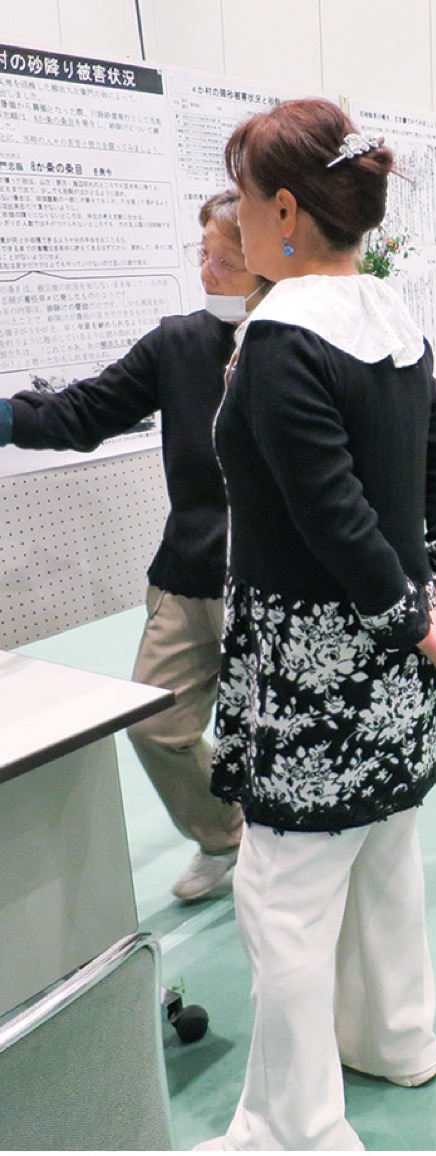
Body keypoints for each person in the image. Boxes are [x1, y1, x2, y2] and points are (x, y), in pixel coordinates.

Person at [196, 98, 436, 1152]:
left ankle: (298, 1125)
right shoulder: (390, 318)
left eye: (242, 199)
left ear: (284, 211)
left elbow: (331, 515)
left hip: (311, 675)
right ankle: (397, 1037)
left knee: (283, 897)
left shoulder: (281, 340)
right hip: (400, 669)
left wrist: (415, 616)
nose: (234, 219)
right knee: (383, 854)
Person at [0, 191, 266, 901]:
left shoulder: (295, 347)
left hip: (276, 584)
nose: (205, 271)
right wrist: (9, 419)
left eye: (224, 261)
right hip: (191, 572)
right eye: (202, 254)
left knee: (276, 736)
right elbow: (87, 409)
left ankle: (291, 858)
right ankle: (224, 834)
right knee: (155, 724)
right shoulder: (178, 343)